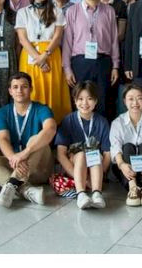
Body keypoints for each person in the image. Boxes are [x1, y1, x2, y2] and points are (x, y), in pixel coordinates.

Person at [0, 72, 55, 208]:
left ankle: (12, 184)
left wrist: (26, 153)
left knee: (37, 139)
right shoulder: (2, 112)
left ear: (31, 89)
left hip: (40, 168)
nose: (19, 90)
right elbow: (3, 139)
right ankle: (26, 190)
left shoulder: (42, 109)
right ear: (10, 91)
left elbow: (50, 129)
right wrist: (13, 157)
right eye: (15, 87)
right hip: (15, 165)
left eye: (24, 86)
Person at [62, 0, 119, 116]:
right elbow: (68, 42)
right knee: (81, 101)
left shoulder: (109, 11)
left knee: (102, 101)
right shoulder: (72, 11)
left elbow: (114, 40)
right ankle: (81, 137)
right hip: (80, 62)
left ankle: (100, 136)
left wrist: (115, 66)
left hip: (103, 62)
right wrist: (67, 68)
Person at [15, 0, 70, 124]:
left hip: (51, 55)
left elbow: (58, 36)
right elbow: (22, 39)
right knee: (32, 91)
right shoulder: (23, 12)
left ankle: (54, 131)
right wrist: (38, 59)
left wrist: (45, 56)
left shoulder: (57, 11)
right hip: (30, 55)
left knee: (53, 92)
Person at [55, 81, 111, 209]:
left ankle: (97, 193)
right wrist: (82, 179)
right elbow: (60, 153)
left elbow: (108, 153)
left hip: (96, 168)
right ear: (74, 101)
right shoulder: (68, 120)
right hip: (74, 167)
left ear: (96, 101)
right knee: (81, 155)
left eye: (89, 99)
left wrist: (99, 175)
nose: (85, 103)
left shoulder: (102, 122)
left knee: (94, 154)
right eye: (80, 99)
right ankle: (81, 194)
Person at [110, 83, 142, 206]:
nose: (135, 102)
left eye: (139, 98)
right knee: (127, 146)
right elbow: (115, 146)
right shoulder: (118, 123)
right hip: (127, 171)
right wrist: (122, 165)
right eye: (131, 99)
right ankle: (132, 188)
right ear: (124, 101)